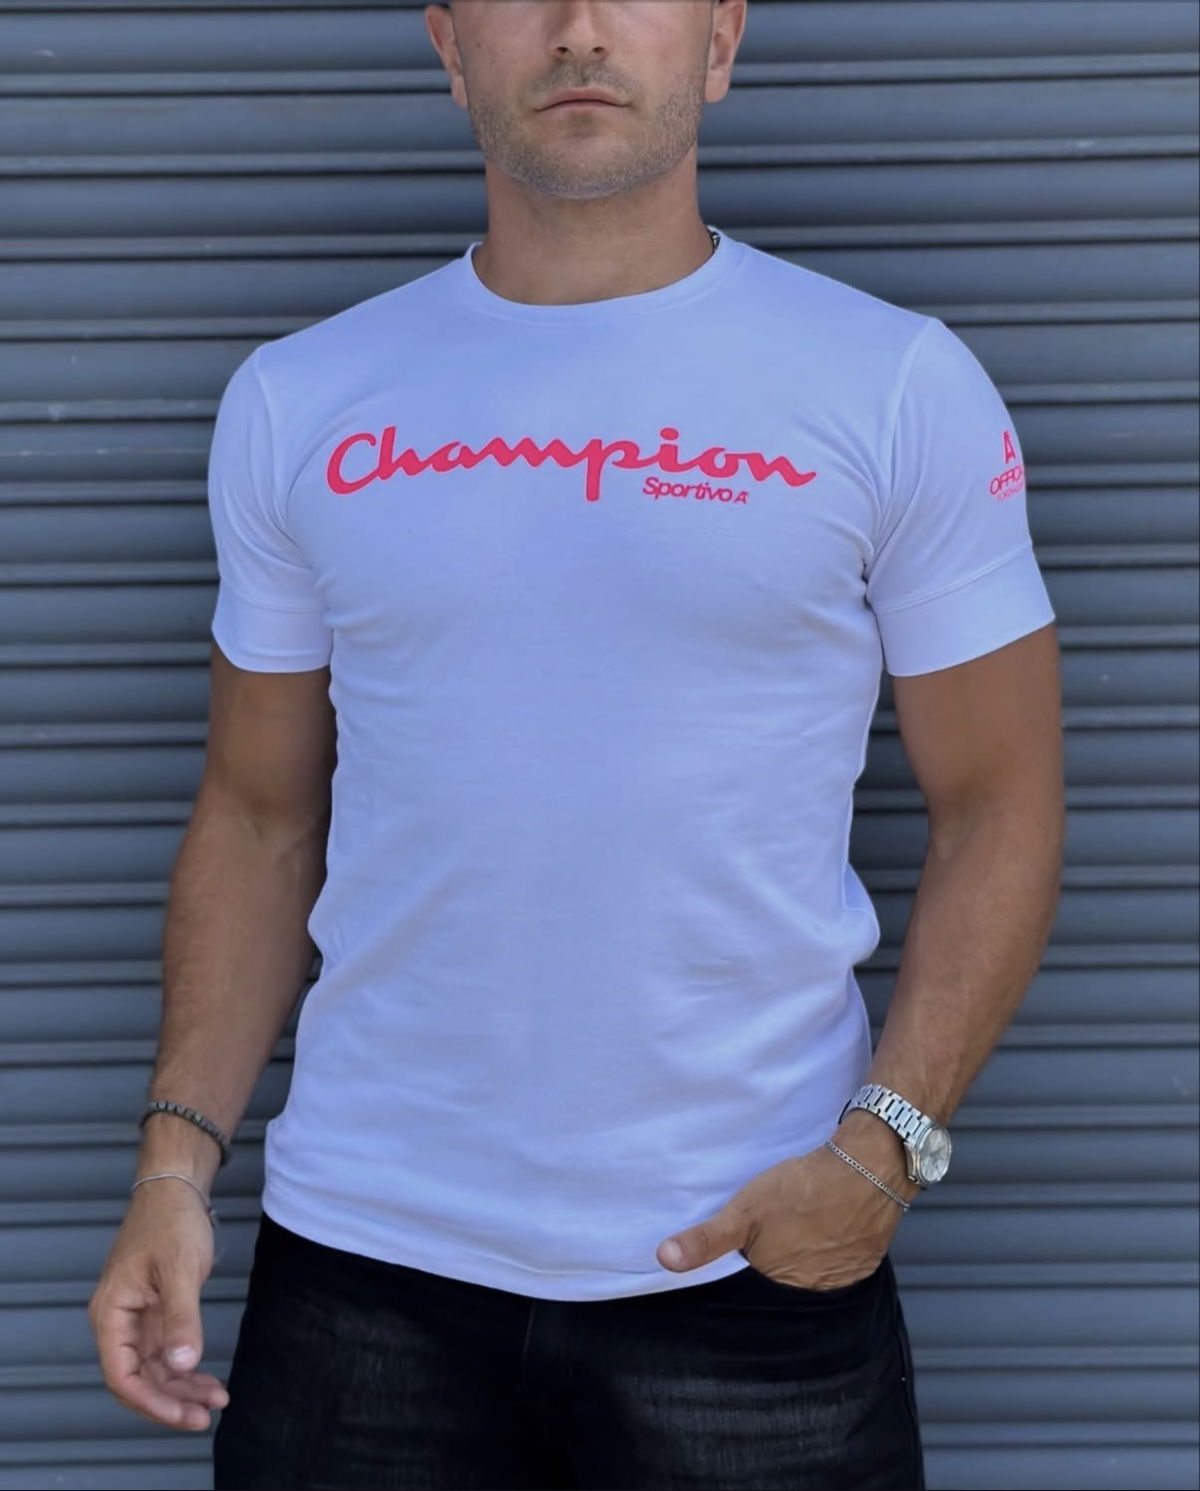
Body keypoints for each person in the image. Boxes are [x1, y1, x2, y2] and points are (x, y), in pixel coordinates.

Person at [88, 2, 1064, 1487]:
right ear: (449, 47)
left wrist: (882, 1156)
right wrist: (175, 1165)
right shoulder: (300, 400)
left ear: (720, 43)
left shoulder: (893, 385)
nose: (580, 29)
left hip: (755, 1266)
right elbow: (258, 817)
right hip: (363, 1268)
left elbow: (1001, 804)